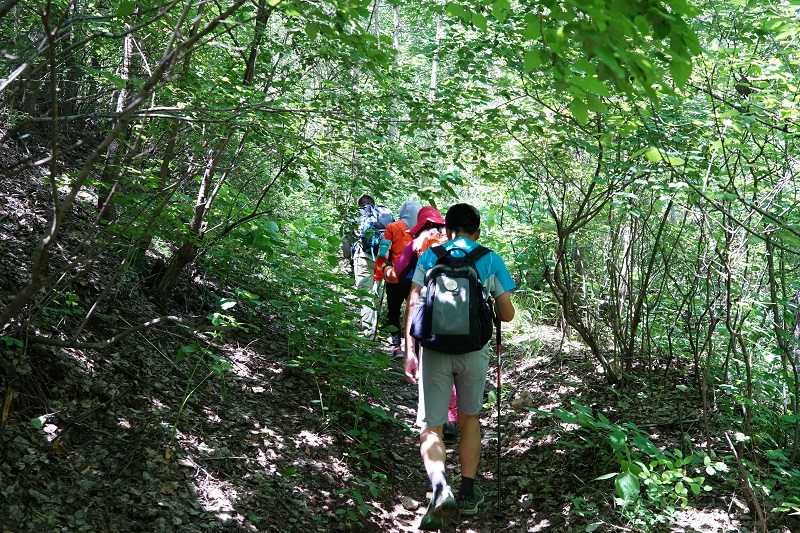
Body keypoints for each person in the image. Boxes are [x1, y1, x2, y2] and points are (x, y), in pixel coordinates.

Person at [403, 203, 516, 530]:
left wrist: (409, 350)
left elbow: (413, 302)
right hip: (473, 352)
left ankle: (440, 488)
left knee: (431, 425)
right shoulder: (489, 258)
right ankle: (467, 494)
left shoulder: (430, 256)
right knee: (468, 420)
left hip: (434, 349)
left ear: (447, 231)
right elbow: (507, 314)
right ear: (477, 232)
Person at [393, 205, 459, 442]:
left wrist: (388, 269)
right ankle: (451, 419)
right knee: (452, 361)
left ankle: (436, 418)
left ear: (420, 224)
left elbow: (398, 272)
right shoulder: (454, 240)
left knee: (429, 363)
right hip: (455, 307)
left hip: (426, 308)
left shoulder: (417, 243)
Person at [374, 200, 421, 357]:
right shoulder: (423, 229)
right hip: (417, 280)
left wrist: (379, 274)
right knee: (415, 312)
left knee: (394, 312)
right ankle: (415, 348)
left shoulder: (392, 227)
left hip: (396, 277)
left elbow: (383, 253)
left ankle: (396, 347)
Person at [346, 194, 393, 337]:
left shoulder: (355, 215)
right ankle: (376, 329)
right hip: (382, 257)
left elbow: (345, 239)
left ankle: (369, 333)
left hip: (363, 257)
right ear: (374, 203)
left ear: (360, 204)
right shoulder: (385, 213)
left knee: (365, 294)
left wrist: (348, 256)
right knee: (376, 292)